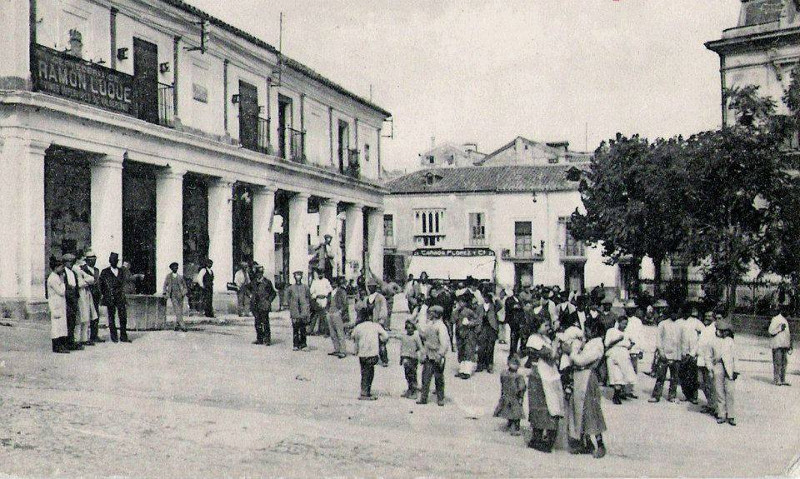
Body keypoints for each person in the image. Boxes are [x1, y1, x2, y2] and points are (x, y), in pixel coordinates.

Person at [565, 321, 607, 458]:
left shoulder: (597, 345)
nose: (585, 332)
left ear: (594, 330)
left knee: (591, 410)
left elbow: (581, 361)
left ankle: (600, 445)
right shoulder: (589, 343)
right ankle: (586, 443)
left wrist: (571, 353)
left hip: (588, 378)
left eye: (587, 329)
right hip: (580, 378)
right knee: (579, 411)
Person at [525, 318, 564, 452]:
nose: (548, 327)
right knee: (540, 405)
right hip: (539, 375)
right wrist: (556, 344)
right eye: (545, 325)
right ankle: (537, 438)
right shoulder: (533, 339)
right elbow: (551, 355)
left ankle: (548, 441)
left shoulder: (545, 339)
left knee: (551, 405)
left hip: (549, 373)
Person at [351, 305, 389, 400]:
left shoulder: (359, 327)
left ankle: (364, 391)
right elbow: (385, 336)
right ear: (370, 316)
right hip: (372, 353)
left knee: (364, 372)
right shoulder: (375, 326)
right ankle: (365, 393)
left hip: (362, 354)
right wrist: (380, 340)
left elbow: (353, 336)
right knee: (370, 372)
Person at [417, 305, 449, 406]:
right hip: (428, 353)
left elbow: (444, 343)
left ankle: (440, 398)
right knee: (425, 377)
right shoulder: (430, 324)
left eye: (430, 313)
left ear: (436, 314)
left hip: (437, 354)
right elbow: (424, 335)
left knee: (438, 378)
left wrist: (440, 354)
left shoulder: (441, 326)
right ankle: (423, 397)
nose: (428, 315)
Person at [649, 308, 682, 403]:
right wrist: (661, 352)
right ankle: (656, 395)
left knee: (674, 378)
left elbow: (682, 340)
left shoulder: (680, 325)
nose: (675, 314)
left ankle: (672, 395)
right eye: (673, 312)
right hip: (665, 354)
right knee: (661, 376)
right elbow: (659, 339)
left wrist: (682, 354)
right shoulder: (663, 324)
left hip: (676, 355)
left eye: (676, 312)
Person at [710, 316, 738, 426]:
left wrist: (735, 370)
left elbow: (735, 357)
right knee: (719, 390)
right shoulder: (713, 341)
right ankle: (721, 414)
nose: (723, 333)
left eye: (725, 331)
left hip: (729, 368)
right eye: (721, 330)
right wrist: (710, 367)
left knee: (730, 391)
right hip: (718, 366)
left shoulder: (730, 341)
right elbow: (709, 355)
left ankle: (731, 415)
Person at [604, 316, 637, 404]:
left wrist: (631, 345)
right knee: (616, 375)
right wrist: (617, 339)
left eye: (626, 324)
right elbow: (607, 344)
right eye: (623, 323)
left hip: (624, 354)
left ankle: (620, 394)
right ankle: (616, 396)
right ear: (618, 322)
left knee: (624, 375)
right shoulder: (611, 331)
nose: (625, 326)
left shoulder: (627, 333)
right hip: (614, 353)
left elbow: (629, 345)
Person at [357, 280, 390, 366]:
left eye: (372, 286)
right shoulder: (367, 298)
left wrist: (381, 320)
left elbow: (384, 310)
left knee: (381, 342)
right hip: (369, 322)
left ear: (376, 287)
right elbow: (362, 309)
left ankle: (384, 360)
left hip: (377, 322)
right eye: (369, 286)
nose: (370, 288)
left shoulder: (380, 297)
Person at [100, 252, 130, 343]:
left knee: (123, 317)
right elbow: (101, 285)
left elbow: (124, 282)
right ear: (110, 261)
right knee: (111, 317)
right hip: (110, 296)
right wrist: (105, 294)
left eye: (115, 260)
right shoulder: (105, 272)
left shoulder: (121, 271)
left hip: (120, 296)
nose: (114, 262)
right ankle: (114, 337)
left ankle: (123, 336)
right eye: (112, 260)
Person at [493, 355, 526, 436]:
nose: (513, 365)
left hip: (515, 396)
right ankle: (510, 423)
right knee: (507, 410)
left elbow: (522, 387)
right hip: (507, 395)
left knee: (516, 413)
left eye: (515, 363)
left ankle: (516, 427)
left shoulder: (518, 376)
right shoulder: (504, 374)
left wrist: (521, 396)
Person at [454, 291, 481, 379]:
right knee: (461, 351)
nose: (460, 303)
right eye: (459, 302)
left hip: (469, 334)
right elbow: (453, 320)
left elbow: (477, 321)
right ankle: (462, 370)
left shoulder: (469, 311)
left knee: (468, 351)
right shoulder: (456, 311)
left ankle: (467, 371)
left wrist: (469, 323)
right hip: (459, 333)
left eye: (462, 302)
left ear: (465, 303)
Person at [680, 306, 704, 403]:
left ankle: (694, 396)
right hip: (682, 353)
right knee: (683, 375)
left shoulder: (695, 322)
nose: (686, 313)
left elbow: (704, 333)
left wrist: (694, 351)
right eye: (684, 311)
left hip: (693, 352)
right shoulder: (679, 322)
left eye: (688, 312)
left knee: (693, 375)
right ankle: (686, 394)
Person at [73, 252, 98, 346]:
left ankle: (84, 338)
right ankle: (78, 339)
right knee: (81, 317)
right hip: (80, 294)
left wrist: (86, 281)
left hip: (86, 293)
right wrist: (86, 282)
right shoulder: (74, 269)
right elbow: (79, 283)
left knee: (86, 317)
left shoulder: (79, 269)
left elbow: (91, 278)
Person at [697, 311, 718, 415]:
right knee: (702, 383)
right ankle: (710, 403)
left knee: (710, 384)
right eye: (706, 316)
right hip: (701, 360)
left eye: (709, 316)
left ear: (714, 317)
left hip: (709, 360)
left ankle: (713, 406)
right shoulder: (704, 328)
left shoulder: (715, 329)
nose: (707, 317)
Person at [250, 265, 277, 345]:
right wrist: (250, 295)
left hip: (264, 305)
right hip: (255, 305)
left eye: (260, 273)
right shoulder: (254, 282)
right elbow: (246, 288)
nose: (259, 275)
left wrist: (268, 301)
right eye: (257, 273)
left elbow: (273, 293)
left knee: (265, 322)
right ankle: (259, 339)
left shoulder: (267, 282)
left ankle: (267, 339)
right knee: (257, 323)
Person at [47, 258, 70, 354]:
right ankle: (57, 346)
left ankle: (61, 345)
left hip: (60, 303)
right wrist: (63, 282)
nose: (62, 269)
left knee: (61, 325)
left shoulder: (56, 277)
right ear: (56, 268)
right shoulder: (53, 278)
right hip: (56, 304)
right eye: (61, 267)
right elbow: (61, 291)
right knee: (56, 326)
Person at [82, 251, 104, 343]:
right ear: (86, 260)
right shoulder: (82, 269)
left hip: (95, 296)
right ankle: (85, 337)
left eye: (94, 260)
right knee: (86, 315)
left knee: (95, 316)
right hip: (86, 295)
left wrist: (101, 293)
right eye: (91, 260)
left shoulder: (96, 270)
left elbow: (99, 283)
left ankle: (94, 336)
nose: (93, 262)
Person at [61, 253, 82, 350]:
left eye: (72, 262)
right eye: (69, 262)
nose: (71, 264)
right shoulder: (63, 273)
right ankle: (66, 343)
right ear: (65, 262)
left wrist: (76, 296)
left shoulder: (73, 273)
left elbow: (76, 285)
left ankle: (71, 341)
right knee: (67, 322)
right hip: (67, 300)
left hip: (74, 299)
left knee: (73, 321)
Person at [286, 270, 311, 351]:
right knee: (295, 328)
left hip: (303, 310)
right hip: (295, 310)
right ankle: (296, 344)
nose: (298, 277)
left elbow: (308, 298)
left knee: (303, 328)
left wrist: (307, 309)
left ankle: (303, 344)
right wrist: (292, 307)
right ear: (294, 277)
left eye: (299, 275)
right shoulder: (291, 288)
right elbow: (288, 299)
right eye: (296, 275)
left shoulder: (305, 287)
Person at [476, 290, 500, 373]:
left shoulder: (494, 306)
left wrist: (495, 298)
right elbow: (477, 316)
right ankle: (480, 364)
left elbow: (500, 305)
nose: (485, 299)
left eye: (487, 297)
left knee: (490, 347)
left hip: (491, 328)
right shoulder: (479, 306)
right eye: (484, 297)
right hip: (482, 328)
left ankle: (489, 365)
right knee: (481, 347)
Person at [768, 307, 792, 386]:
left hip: (784, 345)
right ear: (781, 311)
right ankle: (777, 380)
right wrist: (779, 329)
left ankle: (783, 379)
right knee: (777, 362)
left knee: (784, 363)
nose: (787, 312)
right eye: (786, 310)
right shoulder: (775, 319)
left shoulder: (785, 320)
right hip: (777, 344)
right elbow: (771, 331)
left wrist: (789, 344)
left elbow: (787, 334)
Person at [400, 320, 424, 399]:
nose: (410, 330)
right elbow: (402, 348)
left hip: (413, 358)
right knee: (407, 375)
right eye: (408, 328)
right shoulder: (404, 336)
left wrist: (421, 356)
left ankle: (414, 392)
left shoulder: (416, 337)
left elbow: (420, 347)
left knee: (413, 375)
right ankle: (410, 389)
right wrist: (401, 358)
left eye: (411, 328)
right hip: (405, 357)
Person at [162, 262, 189, 332]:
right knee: (177, 311)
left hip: (180, 295)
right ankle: (183, 326)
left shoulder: (180, 277)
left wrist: (183, 293)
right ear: (171, 268)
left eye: (177, 267)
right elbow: (165, 285)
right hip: (173, 295)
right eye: (174, 267)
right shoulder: (168, 276)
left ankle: (176, 326)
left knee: (180, 310)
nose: (176, 268)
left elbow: (185, 286)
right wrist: (164, 292)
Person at [327, 277, 348, 358]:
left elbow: (345, 303)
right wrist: (327, 311)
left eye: (334, 283)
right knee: (332, 333)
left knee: (340, 332)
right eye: (331, 283)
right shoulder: (330, 293)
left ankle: (343, 351)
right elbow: (328, 303)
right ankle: (337, 349)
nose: (332, 284)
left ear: (337, 283)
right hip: (330, 313)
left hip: (337, 313)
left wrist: (340, 311)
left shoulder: (341, 292)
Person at [309, 269, 333, 336]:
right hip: (317, 299)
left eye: (321, 274)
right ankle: (311, 330)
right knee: (316, 315)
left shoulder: (326, 281)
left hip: (324, 299)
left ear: (323, 274)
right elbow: (311, 291)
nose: (320, 275)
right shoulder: (315, 281)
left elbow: (330, 289)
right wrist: (315, 296)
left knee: (324, 316)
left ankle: (326, 331)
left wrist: (325, 293)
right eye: (319, 274)